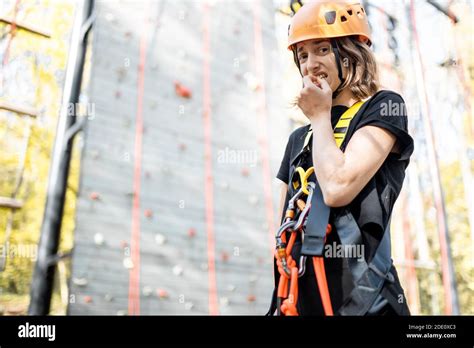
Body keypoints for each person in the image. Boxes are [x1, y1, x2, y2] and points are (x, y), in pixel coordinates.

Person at [267, 0, 414, 316]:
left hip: (364, 301)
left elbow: (336, 188)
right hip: (300, 299)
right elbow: (283, 231)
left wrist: (320, 117)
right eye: (302, 55)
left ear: (351, 53)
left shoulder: (383, 108)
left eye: (321, 49)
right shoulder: (299, 139)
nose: (310, 64)